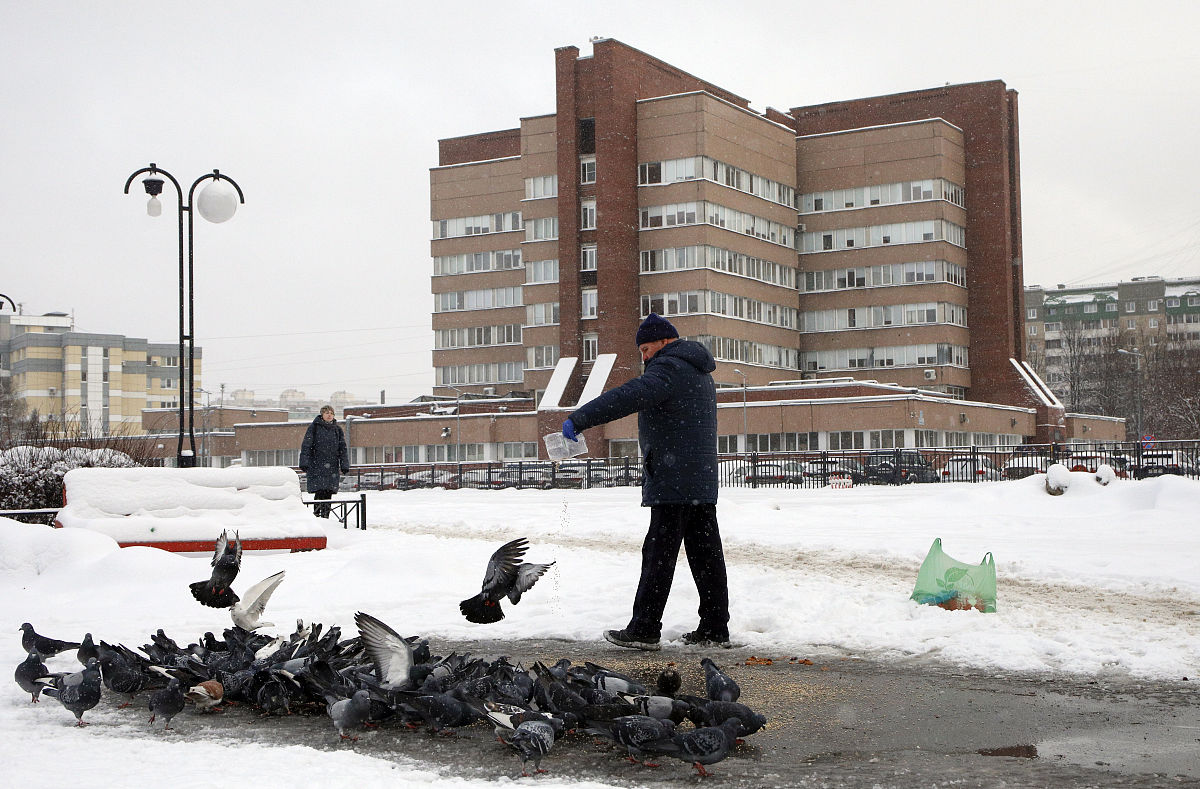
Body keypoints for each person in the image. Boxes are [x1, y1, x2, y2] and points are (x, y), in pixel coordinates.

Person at [563, 313, 730, 650]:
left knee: (658, 554)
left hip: (673, 480)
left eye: (646, 348)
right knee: (705, 555)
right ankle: (715, 627)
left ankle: (644, 628)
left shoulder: (669, 368)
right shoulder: (698, 371)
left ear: (665, 342)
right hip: (698, 481)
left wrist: (581, 418)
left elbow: (628, 396)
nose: (644, 356)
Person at [299, 405, 349, 518]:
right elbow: (306, 445)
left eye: (331, 413)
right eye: (327, 413)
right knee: (319, 491)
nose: (329, 415)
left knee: (328, 492)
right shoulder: (314, 427)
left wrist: (344, 464)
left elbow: (342, 448)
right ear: (322, 415)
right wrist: (304, 462)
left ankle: (326, 517)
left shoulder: (337, 430)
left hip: (332, 466)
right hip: (317, 465)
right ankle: (316, 516)